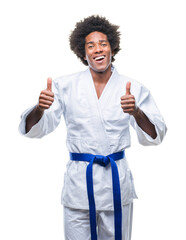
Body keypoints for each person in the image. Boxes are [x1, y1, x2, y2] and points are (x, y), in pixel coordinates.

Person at [19, 15, 167, 240]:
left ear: (112, 48)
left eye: (103, 43)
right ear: (83, 52)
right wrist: (40, 108)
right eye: (91, 45)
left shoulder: (133, 87)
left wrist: (136, 111)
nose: (98, 49)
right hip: (79, 185)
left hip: (116, 184)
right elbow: (37, 128)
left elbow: (156, 135)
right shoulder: (65, 85)